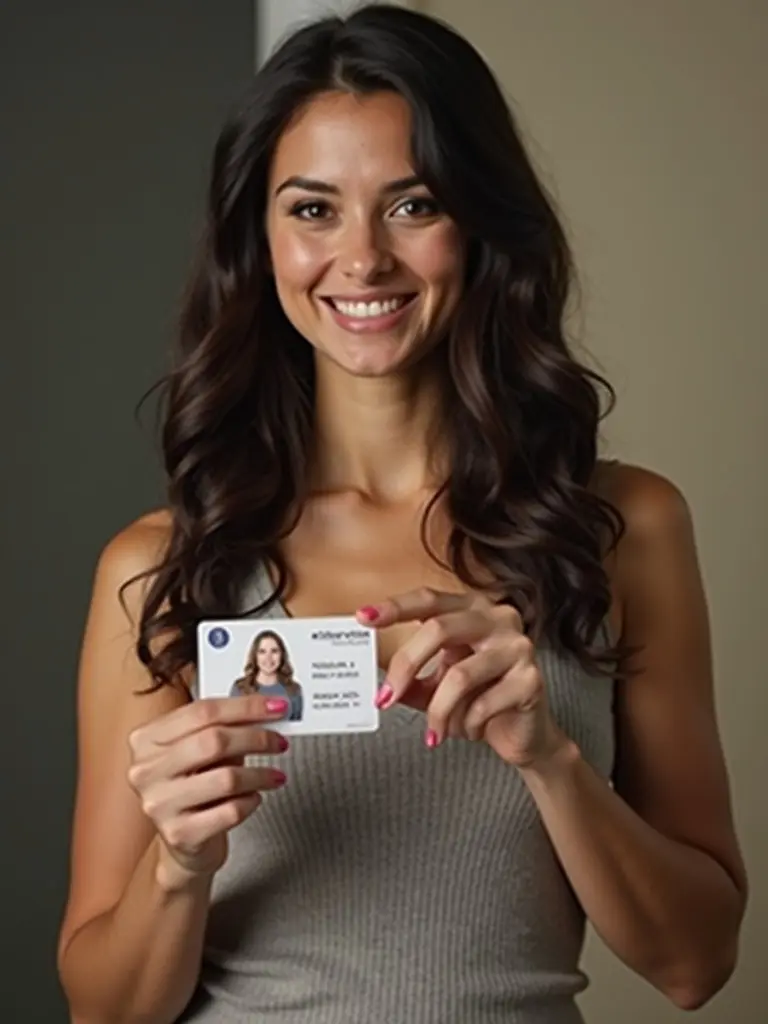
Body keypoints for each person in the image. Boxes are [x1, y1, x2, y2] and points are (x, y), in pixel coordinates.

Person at [56, 5, 747, 1023]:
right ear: (261, 235)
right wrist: (180, 863)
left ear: (480, 222)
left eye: (413, 203)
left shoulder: (621, 526)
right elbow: (103, 1011)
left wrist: (549, 756)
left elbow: (697, 963)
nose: (364, 260)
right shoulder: (159, 564)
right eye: (313, 208)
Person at [229, 630, 304, 721]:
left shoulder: (294, 689)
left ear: (282, 655)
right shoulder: (240, 688)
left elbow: (298, 727)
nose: (268, 657)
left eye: (274, 651)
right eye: (262, 651)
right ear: (255, 656)